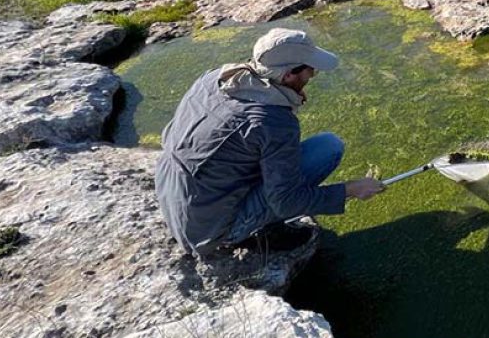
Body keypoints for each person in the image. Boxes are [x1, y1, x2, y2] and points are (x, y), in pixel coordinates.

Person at [155, 28, 386, 257]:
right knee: (329, 148)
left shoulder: (215, 78)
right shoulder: (272, 122)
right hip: (210, 233)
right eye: (310, 70)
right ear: (288, 76)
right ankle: (255, 232)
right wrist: (351, 189)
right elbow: (287, 202)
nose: (313, 74)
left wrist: (289, 94)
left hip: (175, 199)